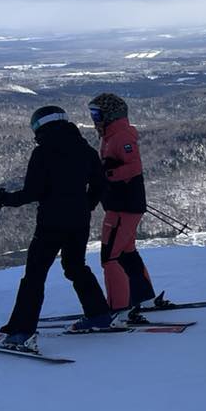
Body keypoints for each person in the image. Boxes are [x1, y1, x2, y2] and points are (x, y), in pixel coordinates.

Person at [0, 105, 114, 352]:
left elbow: (32, 192)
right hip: (79, 221)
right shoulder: (85, 149)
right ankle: (99, 315)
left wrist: (4, 198)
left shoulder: (42, 153)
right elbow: (101, 183)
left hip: (51, 223)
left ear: (40, 126)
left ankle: (21, 332)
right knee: (75, 267)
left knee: (35, 276)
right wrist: (87, 205)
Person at [89, 91, 158, 321]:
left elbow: (134, 167)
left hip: (123, 207)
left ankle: (118, 310)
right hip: (123, 205)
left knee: (110, 257)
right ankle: (144, 300)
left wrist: (105, 174)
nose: (93, 118)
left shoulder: (120, 136)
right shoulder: (110, 135)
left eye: (96, 113)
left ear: (110, 114)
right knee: (127, 253)